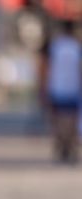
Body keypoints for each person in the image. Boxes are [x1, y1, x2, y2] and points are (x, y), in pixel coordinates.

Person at [40, 20, 81, 164]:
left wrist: (43, 87)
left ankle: (62, 145)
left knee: (58, 120)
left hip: (57, 87)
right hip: (73, 88)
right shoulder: (77, 47)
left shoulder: (54, 46)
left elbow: (44, 68)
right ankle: (69, 146)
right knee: (71, 120)